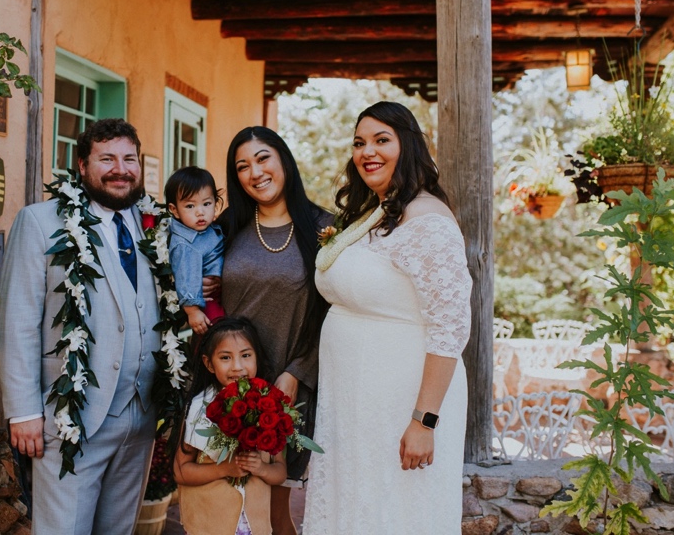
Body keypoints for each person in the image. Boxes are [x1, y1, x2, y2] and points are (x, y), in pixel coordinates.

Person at [301, 101, 472, 534]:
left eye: (382, 140)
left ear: (408, 147)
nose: (367, 152)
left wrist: (423, 421)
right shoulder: (373, 214)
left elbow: (449, 329)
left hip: (403, 401)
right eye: (359, 143)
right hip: (353, 402)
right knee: (355, 507)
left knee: (396, 511)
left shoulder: (428, 220)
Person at [0, 119, 161, 534]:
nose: (120, 169)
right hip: (72, 417)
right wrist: (23, 413)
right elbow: (18, 322)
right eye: (107, 159)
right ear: (83, 165)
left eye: (129, 159)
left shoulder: (153, 227)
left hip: (140, 419)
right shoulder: (39, 222)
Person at [219, 126, 331, 535]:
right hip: (228, 387)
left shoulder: (325, 229)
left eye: (263, 158)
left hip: (287, 391)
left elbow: (336, 314)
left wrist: (298, 372)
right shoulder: (226, 227)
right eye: (243, 166)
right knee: (227, 508)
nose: (256, 172)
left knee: (273, 512)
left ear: (283, 159)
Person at [174, 318, 287, 535]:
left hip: (255, 525)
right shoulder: (198, 408)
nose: (237, 367)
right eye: (225, 358)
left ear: (256, 358)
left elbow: (280, 472)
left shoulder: (269, 405)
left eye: (246, 355)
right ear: (209, 363)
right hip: (209, 524)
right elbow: (181, 471)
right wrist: (226, 468)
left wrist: (262, 469)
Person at [165, 166, 226, 334]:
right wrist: (193, 311)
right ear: (174, 210)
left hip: (222, 292)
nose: (200, 212)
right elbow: (186, 278)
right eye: (190, 206)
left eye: (207, 204)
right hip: (207, 301)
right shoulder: (184, 244)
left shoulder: (209, 229)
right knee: (218, 332)